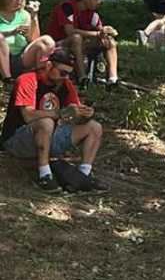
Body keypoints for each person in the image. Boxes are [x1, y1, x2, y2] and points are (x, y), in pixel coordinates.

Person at [1, 49, 105, 192]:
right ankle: (45, 175)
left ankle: (83, 175)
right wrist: (61, 113)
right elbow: (28, 116)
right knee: (46, 122)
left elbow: (74, 112)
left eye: (69, 74)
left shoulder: (66, 84)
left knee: (95, 127)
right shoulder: (27, 80)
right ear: (49, 66)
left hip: (50, 137)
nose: (65, 77)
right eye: (63, 73)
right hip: (17, 139)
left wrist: (85, 114)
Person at [45, 0, 119, 85]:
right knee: (76, 38)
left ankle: (113, 79)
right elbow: (70, 31)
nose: (99, 2)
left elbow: (100, 30)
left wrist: (107, 31)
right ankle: (82, 77)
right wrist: (98, 34)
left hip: (80, 44)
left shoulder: (93, 14)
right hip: (57, 44)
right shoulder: (67, 7)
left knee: (109, 41)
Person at [0, 0, 44, 82]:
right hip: (2, 58)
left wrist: (34, 17)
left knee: (46, 41)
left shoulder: (24, 15)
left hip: (20, 57)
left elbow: (34, 39)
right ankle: (7, 79)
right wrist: (11, 32)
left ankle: (41, 79)